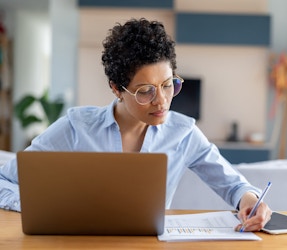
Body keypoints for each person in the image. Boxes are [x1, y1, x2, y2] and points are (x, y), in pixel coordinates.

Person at [0, 18, 272, 232]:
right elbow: (6, 178)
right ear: (117, 89)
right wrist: (39, 205)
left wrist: (248, 200)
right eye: (145, 91)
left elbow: (234, 186)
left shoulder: (184, 132)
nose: (162, 101)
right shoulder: (75, 127)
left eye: (168, 85)